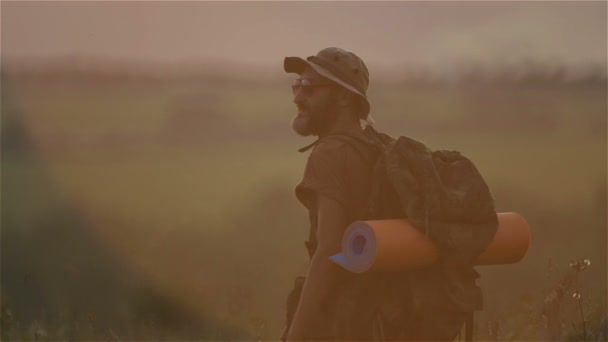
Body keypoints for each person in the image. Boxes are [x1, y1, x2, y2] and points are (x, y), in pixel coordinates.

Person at [281, 47, 471, 341]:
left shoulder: (330, 153)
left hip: (348, 324)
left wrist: (294, 336)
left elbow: (328, 252)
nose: (297, 96)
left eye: (310, 87)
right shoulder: (377, 148)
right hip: (392, 321)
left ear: (344, 97)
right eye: (296, 84)